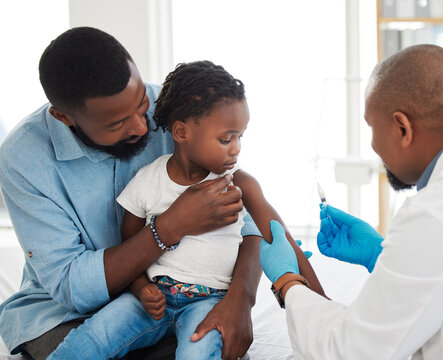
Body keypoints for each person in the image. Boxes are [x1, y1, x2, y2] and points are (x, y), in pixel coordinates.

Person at [0, 27, 264, 360]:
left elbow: (251, 223)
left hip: (179, 296)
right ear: (64, 117)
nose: (143, 127)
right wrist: (170, 227)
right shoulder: (23, 158)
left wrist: (240, 299)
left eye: (142, 105)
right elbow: (72, 286)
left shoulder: (175, 114)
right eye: (117, 124)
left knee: (207, 346)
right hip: (64, 315)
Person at [259, 44, 443, 359]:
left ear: (403, 128)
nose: (373, 145)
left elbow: (350, 351)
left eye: (372, 127)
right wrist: (381, 256)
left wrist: (286, 282)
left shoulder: (439, 212)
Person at [46, 60, 324, 359]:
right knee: (91, 339)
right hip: (153, 299)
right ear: (181, 132)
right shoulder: (148, 181)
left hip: (209, 303)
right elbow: (129, 245)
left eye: (240, 136)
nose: (236, 148)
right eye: (226, 138)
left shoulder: (241, 184)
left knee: (199, 352)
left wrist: (325, 311)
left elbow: (282, 240)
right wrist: (141, 288)